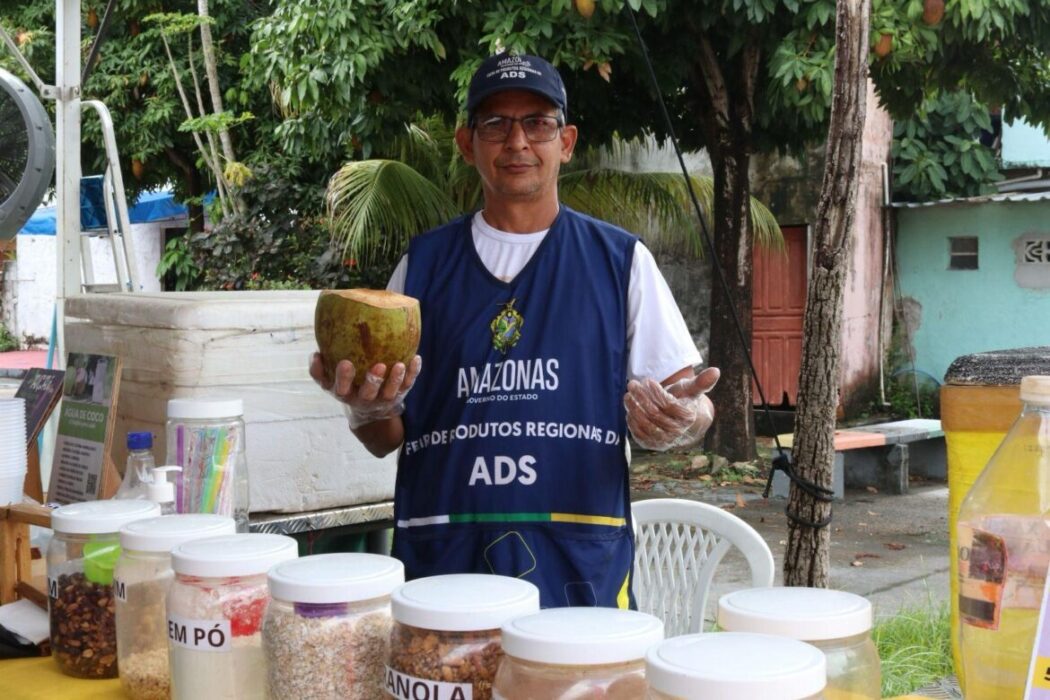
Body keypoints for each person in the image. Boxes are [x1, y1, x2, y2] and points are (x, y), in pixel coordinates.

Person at [311, 52, 719, 608]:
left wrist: (680, 420)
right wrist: (365, 406)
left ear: (566, 141)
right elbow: (386, 440)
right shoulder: (421, 269)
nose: (517, 141)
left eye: (537, 123)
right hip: (444, 559)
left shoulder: (619, 261)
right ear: (466, 142)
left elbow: (690, 401)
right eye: (496, 123)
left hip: (578, 557)